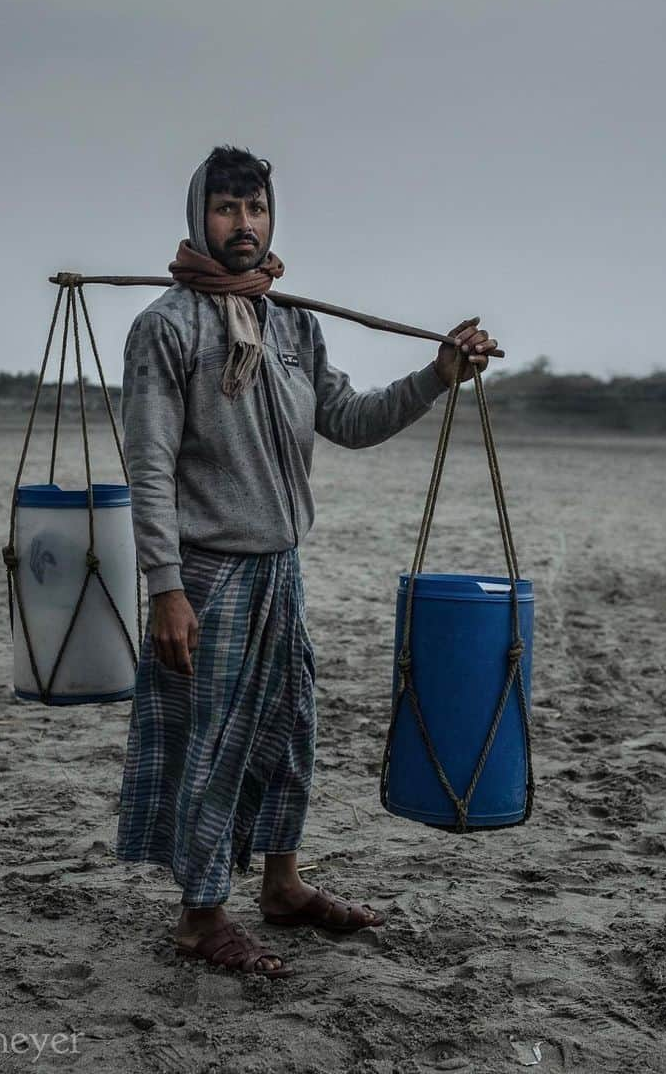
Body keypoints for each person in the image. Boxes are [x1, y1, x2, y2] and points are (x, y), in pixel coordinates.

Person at [115, 145, 498, 978]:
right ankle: (199, 917)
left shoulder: (293, 325)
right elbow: (146, 466)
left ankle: (283, 888)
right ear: (198, 218)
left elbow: (353, 421)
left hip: (281, 568)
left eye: (254, 208)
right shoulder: (166, 328)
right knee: (211, 746)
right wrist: (164, 588)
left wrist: (439, 374)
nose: (242, 224)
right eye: (225, 208)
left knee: (290, 734)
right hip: (207, 573)